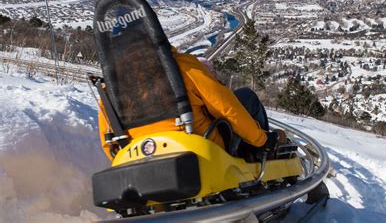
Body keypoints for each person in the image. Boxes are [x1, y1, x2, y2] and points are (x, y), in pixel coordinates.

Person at [98, 47, 281, 160]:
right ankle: (261, 155)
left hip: (137, 156)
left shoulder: (112, 87)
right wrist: (261, 140)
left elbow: (108, 141)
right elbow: (227, 108)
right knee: (246, 96)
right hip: (199, 148)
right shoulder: (183, 66)